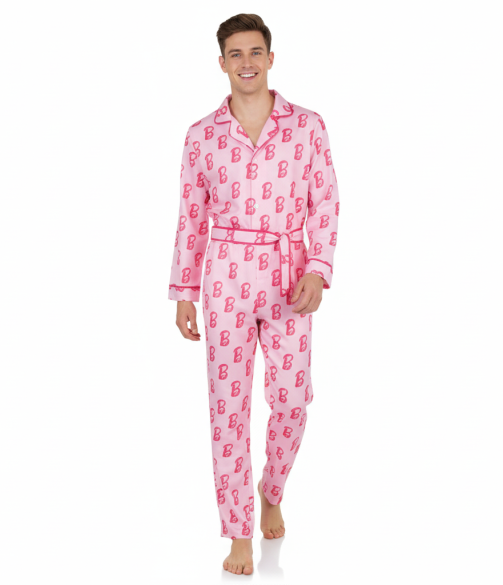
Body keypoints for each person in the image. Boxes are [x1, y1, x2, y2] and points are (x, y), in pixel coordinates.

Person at [168, 13, 340, 576]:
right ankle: (238, 530)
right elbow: (191, 217)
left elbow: (326, 200)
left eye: (255, 52)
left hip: (291, 276)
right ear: (222, 63)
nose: (247, 62)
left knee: (292, 399)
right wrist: (184, 291)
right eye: (236, 54)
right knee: (228, 407)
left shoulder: (307, 126)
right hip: (225, 278)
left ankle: (271, 489)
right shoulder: (201, 135)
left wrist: (318, 268)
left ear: (271, 58)